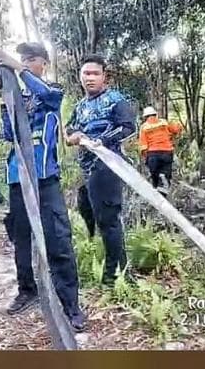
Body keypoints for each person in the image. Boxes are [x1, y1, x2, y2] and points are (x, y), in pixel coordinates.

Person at [0, 43, 86, 333]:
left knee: (59, 239)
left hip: (45, 178)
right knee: (21, 238)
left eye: (31, 60)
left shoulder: (52, 92)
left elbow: (46, 95)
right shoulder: (13, 96)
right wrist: (8, 106)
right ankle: (27, 290)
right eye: (22, 60)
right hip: (18, 178)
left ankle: (70, 305)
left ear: (43, 63)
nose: (25, 63)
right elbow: (9, 134)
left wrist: (17, 69)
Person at [65, 54, 136, 287]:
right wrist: (73, 136)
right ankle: (120, 266)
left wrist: (99, 141)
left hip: (108, 165)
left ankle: (112, 275)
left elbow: (128, 127)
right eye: (86, 73)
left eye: (95, 73)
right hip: (87, 168)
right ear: (80, 76)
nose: (90, 78)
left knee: (109, 220)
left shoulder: (115, 99)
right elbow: (70, 130)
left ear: (104, 76)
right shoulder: (80, 106)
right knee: (91, 212)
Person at [137, 106, 183, 193]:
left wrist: (145, 157)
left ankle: (157, 192)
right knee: (166, 174)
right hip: (167, 152)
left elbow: (143, 145)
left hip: (153, 154)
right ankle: (164, 191)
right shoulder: (164, 122)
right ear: (155, 114)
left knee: (155, 176)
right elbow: (176, 129)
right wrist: (179, 128)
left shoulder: (144, 127)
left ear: (145, 117)